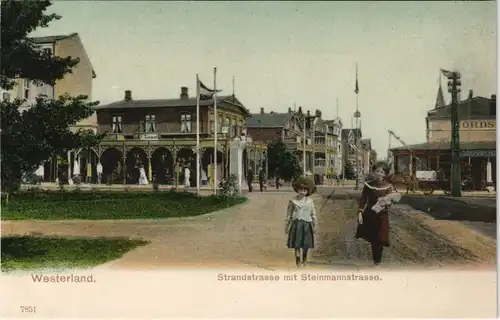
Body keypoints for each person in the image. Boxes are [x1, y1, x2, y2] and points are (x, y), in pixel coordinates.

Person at [355, 161, 400, 266]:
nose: (379, 174)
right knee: (373, 239)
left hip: (382, 216)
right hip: (370, 215)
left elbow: (392, 200)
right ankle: (376, 261)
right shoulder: (368, 185)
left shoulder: (388, 186)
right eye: (377, 171)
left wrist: (387, 202)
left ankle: (377, 261)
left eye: (382, 172)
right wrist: (360, 212)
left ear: (385, 174)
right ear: (373, 172)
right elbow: (363, 199)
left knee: (381, 239)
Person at [285, 176, 318, 267]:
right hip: (296, 224)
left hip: (307, 224)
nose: (302, 191)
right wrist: (287, 226)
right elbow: (289, 214)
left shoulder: (310, 202)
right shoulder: (293, 201)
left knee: (306, 244)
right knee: (297, 244)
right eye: (301, 189)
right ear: (297, 189)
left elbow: (313, 215)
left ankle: (305, 258)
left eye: (305, 189)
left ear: (308, 191)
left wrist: (315, 226)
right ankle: (298, 260)